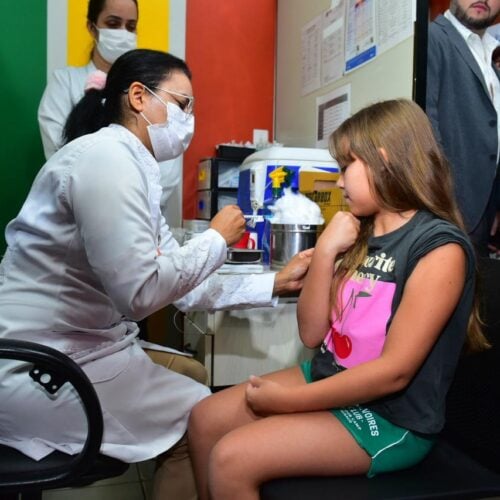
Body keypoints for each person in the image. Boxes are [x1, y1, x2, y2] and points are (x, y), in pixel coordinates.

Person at [0, 49, 311, 500]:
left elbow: (182, 285)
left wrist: (274, 284)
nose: (190, 120)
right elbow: (142, 292)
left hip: (76, 347)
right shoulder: (105, 160)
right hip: (38, 365)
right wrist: (217, 239)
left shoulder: (133, 168)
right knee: (204, 419)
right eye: (183, 105)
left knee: (189, 370)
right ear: (139, 97)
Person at [187, 99, 490, 500]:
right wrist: (327, 250)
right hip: (332, 378)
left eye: (346, 167)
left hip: (391, 416)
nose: (339, 182)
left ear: (382, 161)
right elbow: (313, 334)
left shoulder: (438, 247)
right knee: (204, 418)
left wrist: (292, 401)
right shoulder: (358, 231)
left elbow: (394, 373)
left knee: (231, 458)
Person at [37, 0, 182, 208]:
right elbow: (62, 157)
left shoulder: (149, 93)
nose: (123, 32)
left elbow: (167, 164)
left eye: (131, 27)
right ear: (91, 27)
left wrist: (132, 206)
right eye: (113, 24)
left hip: (140, 214)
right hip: (77, 215)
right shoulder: (64, 83)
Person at [426, 0, 500, 256]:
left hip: (483, 211)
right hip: (449, 207)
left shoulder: (490, 55)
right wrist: (444, 201)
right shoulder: (433, 38)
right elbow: (426, 124)